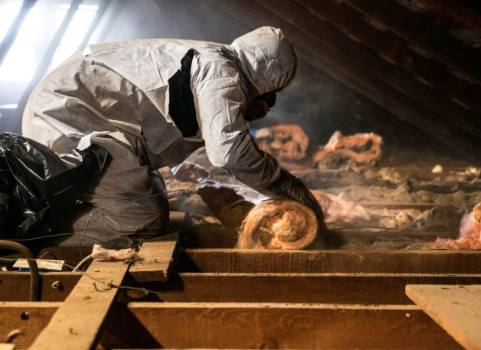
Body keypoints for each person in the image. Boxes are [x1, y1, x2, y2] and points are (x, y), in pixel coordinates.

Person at [22, 26, 325, 247]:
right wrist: (282, 183)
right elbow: (228, 151)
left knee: (154, 200)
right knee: (143, 221)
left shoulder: (217, 61)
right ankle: (37, 235)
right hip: (67, 119)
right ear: (265, 80)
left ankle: (56, 215)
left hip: (82, 119)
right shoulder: (221, 73)